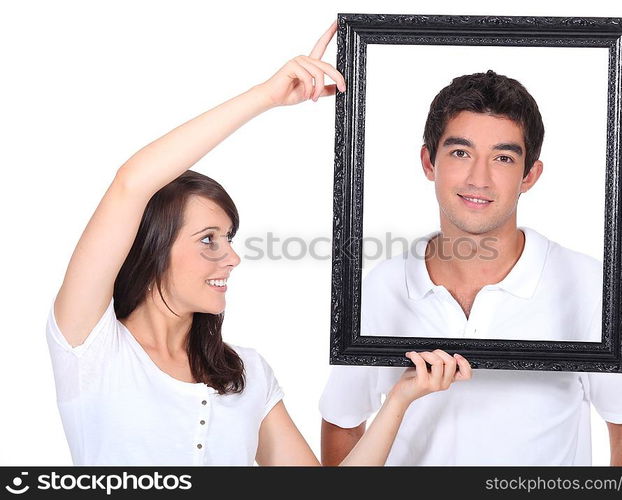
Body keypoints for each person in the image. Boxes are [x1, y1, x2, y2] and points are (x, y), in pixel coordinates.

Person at [44, 22, 472, 466]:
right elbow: (131, 185)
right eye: (208, 239)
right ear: (154, 247)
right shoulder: (90, 349)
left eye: (228, 238)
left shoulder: (245, 376)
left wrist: (400, 399)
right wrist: (266, 97)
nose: (231, 257)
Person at [319, 70, 622, 466]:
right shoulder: (382, 287)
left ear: (529, 175)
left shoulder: (584, 285)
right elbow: (343, 423)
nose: (478, 178)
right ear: (429, 162)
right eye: (460, 153)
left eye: (503, 158)